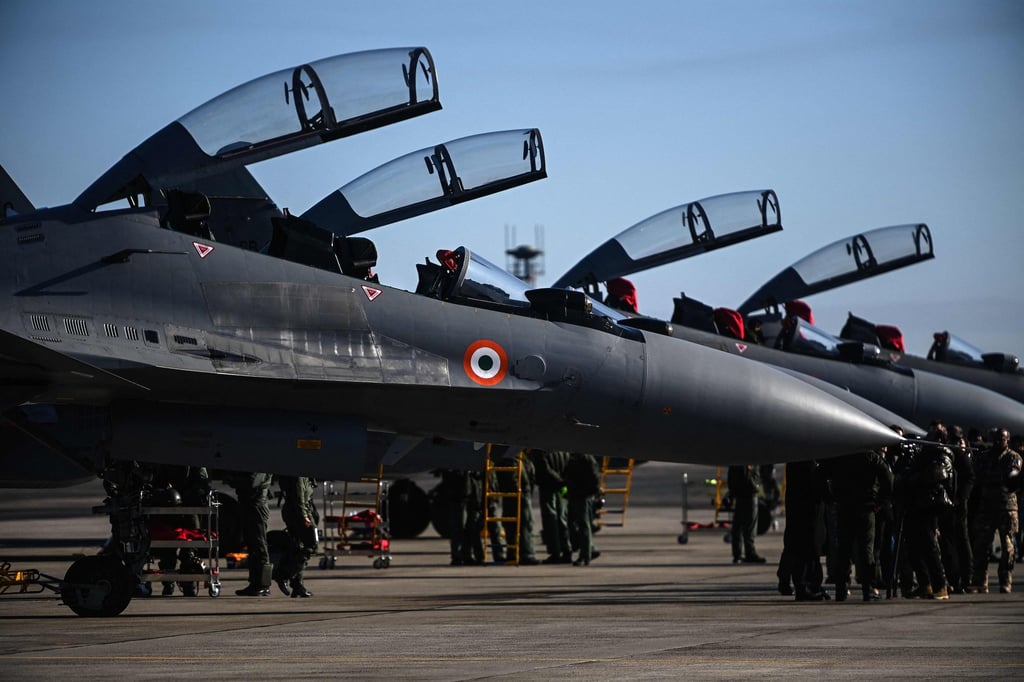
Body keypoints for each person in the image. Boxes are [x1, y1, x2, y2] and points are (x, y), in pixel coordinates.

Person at [821, 449, 893, 601]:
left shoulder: (840, 455)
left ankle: (841, 590)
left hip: (844, 508)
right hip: (866, 508)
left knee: (844, 549)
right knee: (866, 550)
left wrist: (830, 498)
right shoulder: (871, 456)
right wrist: (880, 501)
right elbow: (888, 479)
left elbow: (820, 475)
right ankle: (868, 589)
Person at [903, 423, 955, 600]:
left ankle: (941, 586)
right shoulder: (925, 455)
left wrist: (914, 477)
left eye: (931, 436)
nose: (927, 439)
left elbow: (936, 474)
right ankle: (926, 584)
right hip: (919, 504)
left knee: (930, 547)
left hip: (932, 506)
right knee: (914, 547)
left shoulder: (944, 455)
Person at [969, 428, 1022, 593]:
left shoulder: (1014, 457)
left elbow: (1012, 477)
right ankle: (979, 581)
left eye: (1003, 439)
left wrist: (993, 478)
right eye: (997, 439)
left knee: (1007, 547)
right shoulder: (984, 457)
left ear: (1008, 440)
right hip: (987, 507)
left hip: (1007, 507)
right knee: (981, 545)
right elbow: (976, 475)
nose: (1000, 442)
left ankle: (1005, 581)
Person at [149, 463, 210, 597]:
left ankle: (187, 584)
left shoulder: (195, 464)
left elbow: (201, 486)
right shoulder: (169, 460)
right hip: (171, 506)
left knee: (188, 549)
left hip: (189, 509)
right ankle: (169, 583)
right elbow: (158, 482)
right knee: (167, 549)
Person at [776, 460, 830, 601]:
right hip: (809, 514)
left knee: (799, 549)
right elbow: (818, 488)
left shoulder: (796, 461)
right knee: (807, 551)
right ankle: (805, 587)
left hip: (800, 513)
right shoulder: (808, 463)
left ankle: (808, 586)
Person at [227, 471, 274, 596]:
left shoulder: (259, 463)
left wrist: (233, 479)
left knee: (259, 544)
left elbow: (252, 482)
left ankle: (263, 584)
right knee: (252, 544)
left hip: (256, 504)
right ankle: (255, 583)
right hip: (250, 503)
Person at [274, 475, 317, 598]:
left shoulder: (303, 473)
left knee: (298, 547)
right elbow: (298, 497)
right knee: (311, 546)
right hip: (299, 513)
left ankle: (298, 586)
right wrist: (304, 516)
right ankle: (284, 574)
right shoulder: (299, 474)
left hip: (297, 512)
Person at [528, 449, 573, 564]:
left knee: (550, 521)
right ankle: (567, 550)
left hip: (549, 488)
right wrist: (563, 482)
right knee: (562, 519)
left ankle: (555, 552)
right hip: (561, 488)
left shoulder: (541, 451)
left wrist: (557, 481)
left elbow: (544, 469)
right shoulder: (563, 449)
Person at [564, 452, 601, 566]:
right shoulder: (574, 458)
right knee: (574, 524)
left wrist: (588, 493)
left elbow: (594, 479)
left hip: (583, 497)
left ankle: (585, 556)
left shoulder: (586, 458)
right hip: (574, 495)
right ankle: (587, 550)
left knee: (583, 526)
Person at [727, 464, 765, 564]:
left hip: (740, 495)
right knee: (749, 527)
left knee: (738, 526)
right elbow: (749, 476)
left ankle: (738, 554)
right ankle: (749, 553)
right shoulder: (749, 457)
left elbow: (731, 476)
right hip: (749, 494)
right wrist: (754, 486)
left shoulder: (735, 459)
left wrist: (732, 492)